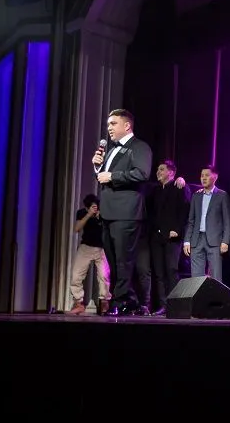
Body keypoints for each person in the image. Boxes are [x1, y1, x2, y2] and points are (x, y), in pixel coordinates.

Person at [92, 109, 153, 316]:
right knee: (113, 261)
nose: (109, 127)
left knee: (123, 260)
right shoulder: (111, 150)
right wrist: (98, 168)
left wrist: (112, 176)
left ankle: (118, 302)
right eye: (108, 124)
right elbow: (104, 177)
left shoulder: (139, 147)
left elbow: (142, 173)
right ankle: (130, 300)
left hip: (127, 212)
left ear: (127, 126)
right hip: (109, 213)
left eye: (113, 123)